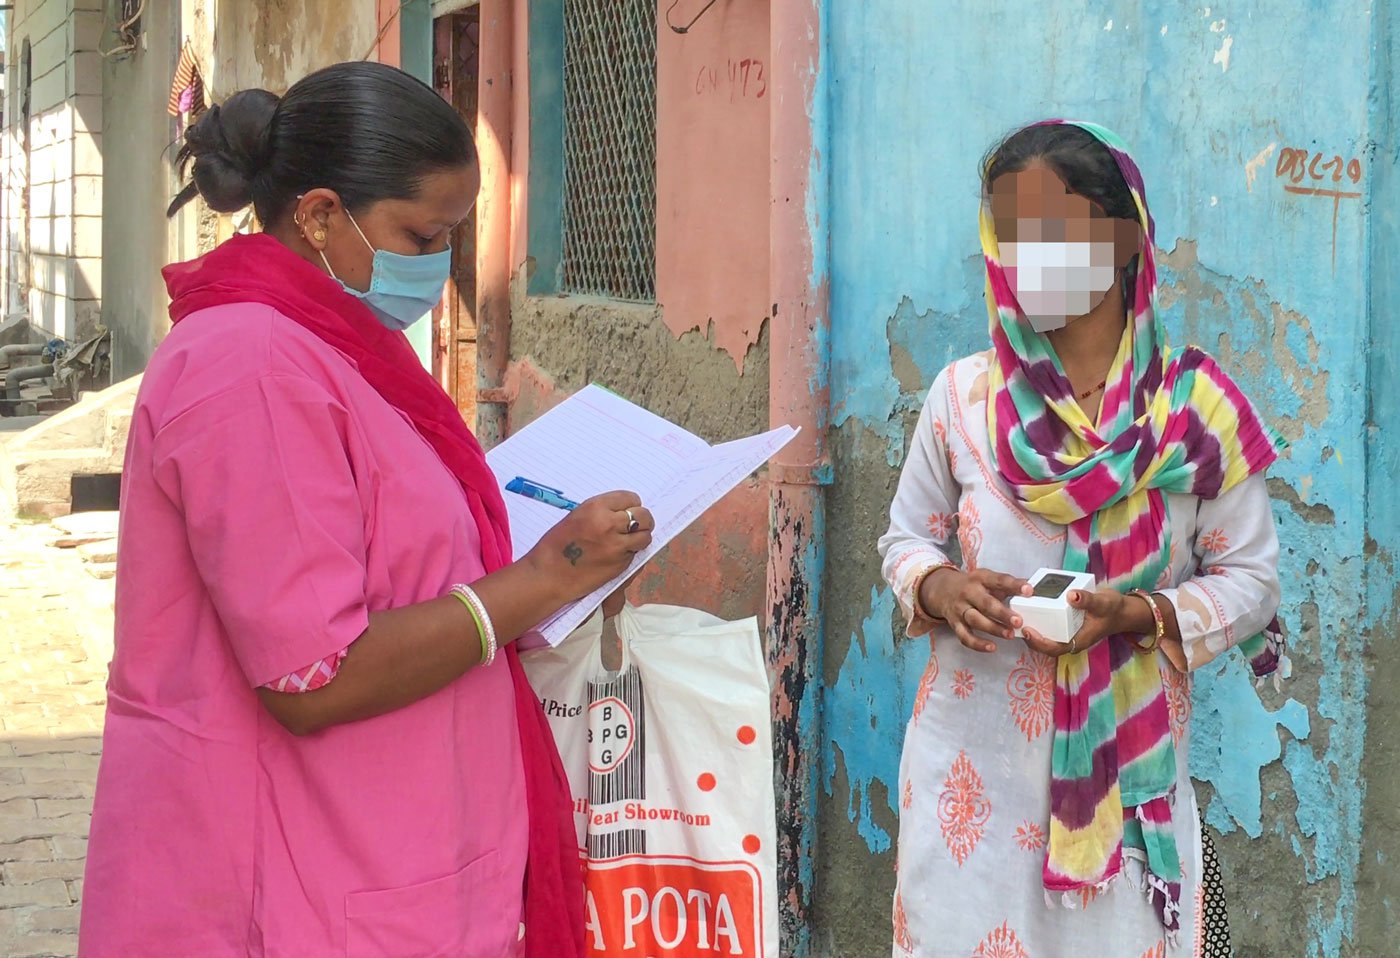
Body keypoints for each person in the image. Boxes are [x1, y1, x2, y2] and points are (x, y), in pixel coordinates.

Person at [78, 61, 651, 957]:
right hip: (296, 872)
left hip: (394, 846)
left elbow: (398, 559)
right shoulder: (251, 367)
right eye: (422, 238)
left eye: (453, 238)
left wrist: (554, 574)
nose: (439, 267)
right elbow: (317, 677)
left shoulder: (334, 345)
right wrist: (545, 577)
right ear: (317, 215)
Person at [878, 120, 1287, 957]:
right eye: (1010, 234)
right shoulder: (961, 400)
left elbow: (1251, 581)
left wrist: (1136, 613)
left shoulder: (1195, 413)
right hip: (971, 785)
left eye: (1053, 231)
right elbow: (901, 542)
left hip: (1126, 807)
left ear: (1125, 236)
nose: (1029, 259)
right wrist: (939, 587)